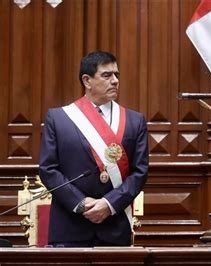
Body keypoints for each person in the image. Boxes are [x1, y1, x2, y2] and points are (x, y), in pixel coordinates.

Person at [39, 51, 149, 247]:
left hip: (115, 227)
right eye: (107, 75)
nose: (115, 81)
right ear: (87, 80)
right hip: (70, 227)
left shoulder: (134, 120)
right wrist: (81, 204)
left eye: (117, 75)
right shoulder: (58, 119)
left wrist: (108, 205)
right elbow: (48, 170)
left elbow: (139, 172)